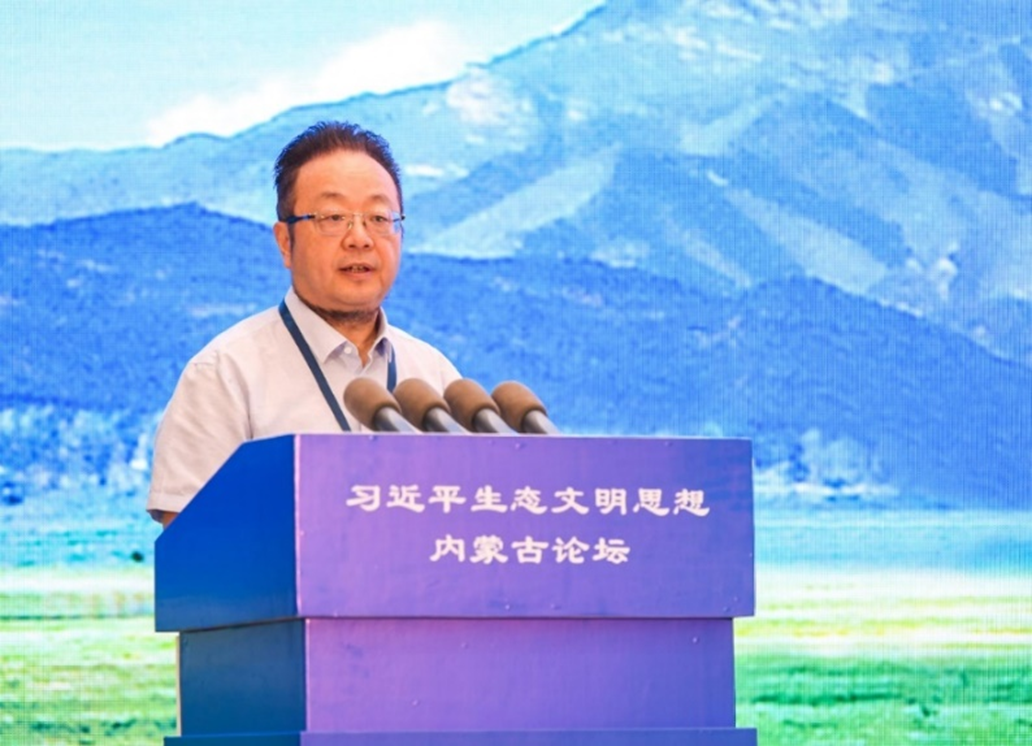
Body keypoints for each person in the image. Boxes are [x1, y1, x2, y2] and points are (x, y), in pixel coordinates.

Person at [146, 121, 461, 527]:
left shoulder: (435, 376)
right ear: (285, 242)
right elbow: (193, 549)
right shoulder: (223, 375)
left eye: (379, 218)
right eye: (333, 217)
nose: (360, 238)